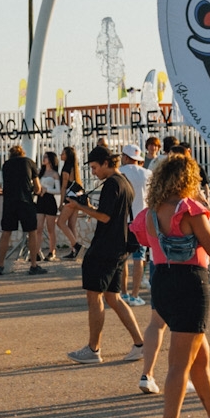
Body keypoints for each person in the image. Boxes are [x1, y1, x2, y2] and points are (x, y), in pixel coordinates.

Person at [131, 151, 210, 418]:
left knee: (200, 357)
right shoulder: (191, 209)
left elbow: (147, 239)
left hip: (162, 283)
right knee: (180, 364)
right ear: (188, 179)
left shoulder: (151, 212)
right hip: (190, 284)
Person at [63, 144, 145, 364]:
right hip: (120, 245)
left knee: (94, 295)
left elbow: (105, 217)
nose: (93, 172)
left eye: (95, 167)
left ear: (107, 163)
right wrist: (87, 205)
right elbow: (112, 214)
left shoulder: (111, 184)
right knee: (113, 297)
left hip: (106, 247)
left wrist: (80, 207)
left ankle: (93, 349)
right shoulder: (124, 183)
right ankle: (140, 344)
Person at [0, 143, 43, 275]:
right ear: (22, 153)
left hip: (9, 202)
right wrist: (33, 190)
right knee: (32, 232)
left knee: (6, 233)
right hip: (25, 201)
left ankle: (0, 265)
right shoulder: (29, 162)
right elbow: (38, 187)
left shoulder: (6, 165)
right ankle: (33, 265)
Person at [118, 145, 152, 303]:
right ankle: (135, 295)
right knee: (139, 258)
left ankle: (123, 293)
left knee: (123, 258)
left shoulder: (120, 173)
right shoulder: (147, 174)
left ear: (125, 157)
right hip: (141, 221)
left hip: (122, 221)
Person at [37, 149, 66, 256]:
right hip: (40, 200)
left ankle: (51, 251)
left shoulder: (54, 174)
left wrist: (46, 190)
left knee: (50, 229)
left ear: (50, 160)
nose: (43, 159)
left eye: (45, 157)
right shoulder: (41, 172)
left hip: (49, 201)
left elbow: (58, 191)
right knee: (38, 228)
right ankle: (37, 251)